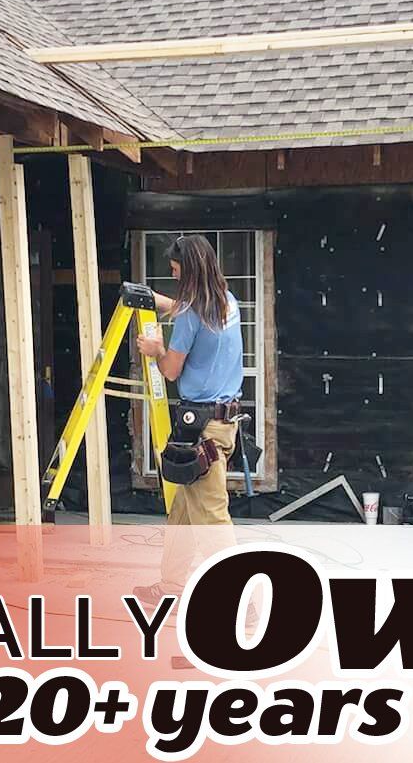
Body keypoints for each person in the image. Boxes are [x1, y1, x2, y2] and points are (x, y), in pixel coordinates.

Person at [131, 235, 244, 605]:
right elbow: (188, 308)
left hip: (202, 427)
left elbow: (171, 370)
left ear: (189, 270)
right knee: (183, 511)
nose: (172, 273)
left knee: (211, 517)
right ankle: (172, 586)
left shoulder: (191, 315)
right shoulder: (226, 302)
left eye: (176, 269)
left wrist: (156, 349)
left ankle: (240, 603)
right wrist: (155, 300)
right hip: (223, 422)